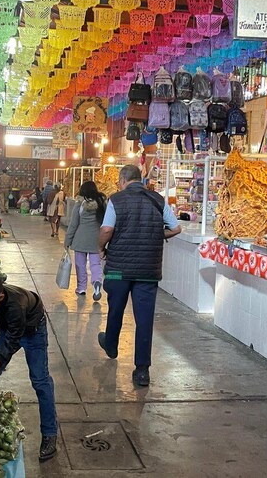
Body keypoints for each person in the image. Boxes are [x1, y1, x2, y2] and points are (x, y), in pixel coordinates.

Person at [97, 165, 182, 387]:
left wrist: (100, 248)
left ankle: (111, 345)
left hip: (118, 269)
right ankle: (142, 370)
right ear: (140, 179)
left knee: (115, 308)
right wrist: (155, 235)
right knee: (144, 319)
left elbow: (106, 230)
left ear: (123, 180)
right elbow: (175, 228)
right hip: (147, 270)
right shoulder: (158, 200)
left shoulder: (116, 200)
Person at [0, 272, 58, 462]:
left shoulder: (16, 305)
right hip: (9, 328)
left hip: (33, 330)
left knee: (40, 381)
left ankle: (50, 434)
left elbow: (13, 338)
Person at [65, 181, 106, 300]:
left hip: (80, 239)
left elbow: (73, 224)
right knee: (95, 264)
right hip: (96, 239)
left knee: (80, 265)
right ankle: (97, 281)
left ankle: (81, 288)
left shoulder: (80, 204)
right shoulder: (102, 203)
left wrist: (67, 240)